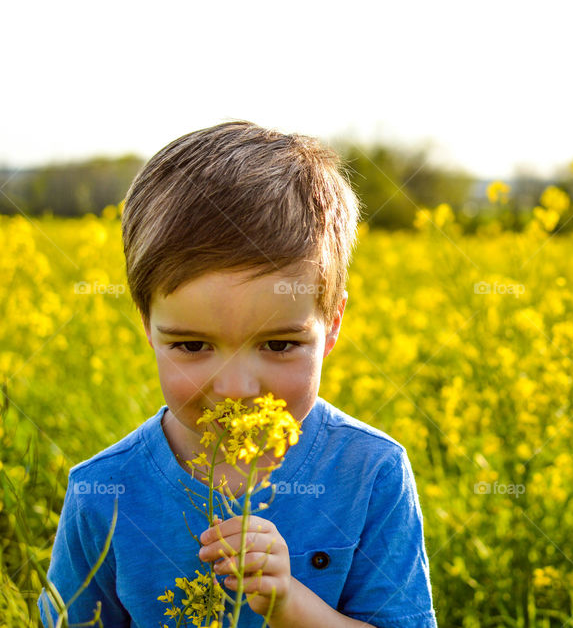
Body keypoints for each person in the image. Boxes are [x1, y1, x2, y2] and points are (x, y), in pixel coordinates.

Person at [37, 121, 438, 627]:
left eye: (278, 344)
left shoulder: (370, 472)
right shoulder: (102, 491)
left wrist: (290, 604)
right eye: (192, 345)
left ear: (332, 325)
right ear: (147, 326)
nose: (236, 390)